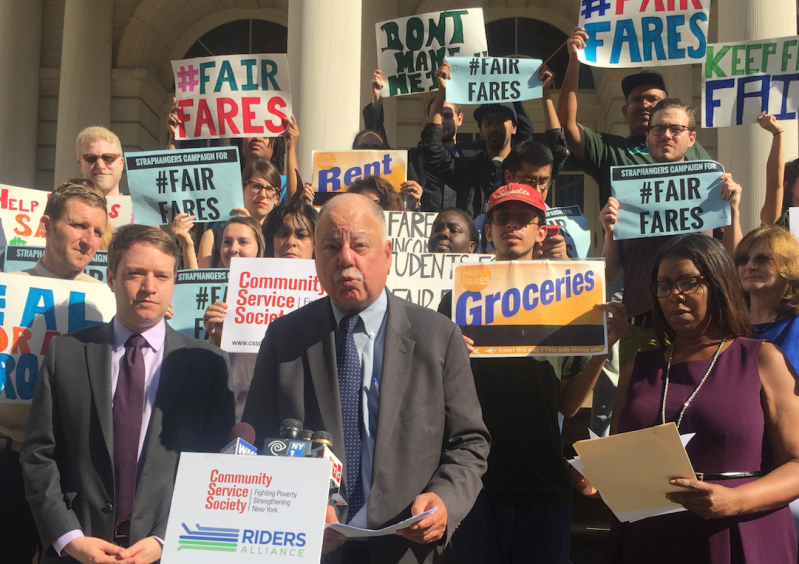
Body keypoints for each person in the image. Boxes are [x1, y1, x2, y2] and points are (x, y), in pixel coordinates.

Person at [242, 193, 490, 563]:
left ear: (388, 254)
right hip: (310, 548)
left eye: (360, 245)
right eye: (330, 246)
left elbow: (469, 443)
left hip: (408, 548)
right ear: (316, 259)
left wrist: (445, 500)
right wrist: (294, 510)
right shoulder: (284, 339)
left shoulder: (439, 336)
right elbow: (259, 442)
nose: (345, 258)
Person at [21, 224, 235, 564]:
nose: (149, 288)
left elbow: (218, 466)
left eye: (162, 276)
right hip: (78, 551)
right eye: (136, 273)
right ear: (111, 277)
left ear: (174, 281)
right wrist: (69, 538)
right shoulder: (67, 353)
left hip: (169, 552)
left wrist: (168, 538)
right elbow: (38, 455)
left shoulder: (209, 364)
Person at [438, 183, 627, 564]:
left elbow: (569, 405)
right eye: (502, 218)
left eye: (523, 218)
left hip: (543, 486)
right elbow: (436, 394)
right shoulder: (456, 300)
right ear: (488, 231)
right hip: (474, 485)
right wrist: (450, 358)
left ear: (541, 232)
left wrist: (600, 350)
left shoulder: (570, 300)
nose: (512, 225)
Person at [597, 233, 799, 563]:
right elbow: (621, 455)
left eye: (688, 282)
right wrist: (598, 472)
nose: (674, 294)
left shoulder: (761, 359)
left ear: (718, 284)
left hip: (736, 535)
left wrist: (736, 501)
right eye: (664, 285)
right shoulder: (639, 368)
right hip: (649, 540)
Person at [1, 180, 108, 563]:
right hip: (8, 461)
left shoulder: (108, 303)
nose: (89, 239)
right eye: (80, 226)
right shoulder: (6, 291)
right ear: (46, 226)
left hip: (72, 469)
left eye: (97, 231)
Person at [599, 98, 742, 371]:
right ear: (648, 137)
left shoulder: (712, 188)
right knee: (641, 410)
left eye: (676, 129)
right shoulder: (628, 194)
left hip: (703, 324)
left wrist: (734, 210)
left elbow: (734, 258)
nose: (666, 135)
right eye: (658, 128)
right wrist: (609, 231)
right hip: (643, 327)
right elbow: (609, 272)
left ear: (691, 138)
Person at [557, 28, 713, 208]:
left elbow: (712, 190)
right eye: (636, 101)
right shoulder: (609, 149)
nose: (645, 105)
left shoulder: (689, 147)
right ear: (624, 112)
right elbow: (565, 127)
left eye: (653, 100)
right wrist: (574, 62)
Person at [419, 63, 566, 219]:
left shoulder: (526, 169)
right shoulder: (467, 169)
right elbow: (432, 151)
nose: (494, 127)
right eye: (488, 122)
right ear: (481, 131)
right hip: (477, 242)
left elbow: (557, 151)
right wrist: (442, 91)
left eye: (501, 120)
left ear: (514, 127)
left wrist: (545, 94)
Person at [200, 217, 265, 422]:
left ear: (259, 248)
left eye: (243, 242)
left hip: (260, 403)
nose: (233, 248)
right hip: (223, 404)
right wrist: (216, 339)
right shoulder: (204, 290)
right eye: (227, 242)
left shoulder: (274, 292)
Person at [174, 158, 280, 269]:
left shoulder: (280, 238)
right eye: (256, 186)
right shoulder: (213, 236)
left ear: (277, 196)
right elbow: (199, 284)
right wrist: (187, 246)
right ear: (243, 189)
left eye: (270, 189)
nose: (263, 194)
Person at [76, 127, 126, 196]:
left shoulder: (137, 206)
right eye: (91, 158)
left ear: (121, 164)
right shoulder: (64, 206)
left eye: (108, 157)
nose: (100, 165)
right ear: (80, 165)